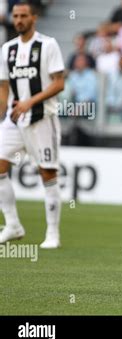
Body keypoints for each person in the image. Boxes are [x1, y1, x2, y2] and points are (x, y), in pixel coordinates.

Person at [0, 1, 65, 248]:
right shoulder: (7, 49)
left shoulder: (48, 45)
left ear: (33, 18)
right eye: (15, 15)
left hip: (42, 119)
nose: (18, 20)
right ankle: (13, 224)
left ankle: (53, 234)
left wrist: (29, 102)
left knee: (47, 172)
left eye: (23, 15)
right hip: (14, 120)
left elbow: (59, 83)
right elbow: (4, 85)